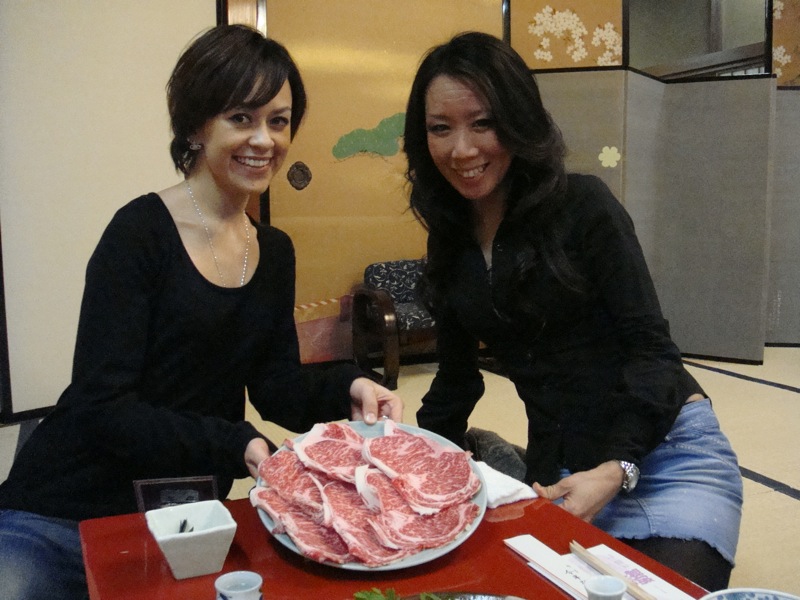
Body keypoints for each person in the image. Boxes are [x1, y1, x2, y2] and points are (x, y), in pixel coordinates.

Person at [0, 24, 401, 600]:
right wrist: (233, 442)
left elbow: (277, 386)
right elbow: (101, 407)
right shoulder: (140, 233)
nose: (264, 139)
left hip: (190, 519)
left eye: (279, 121)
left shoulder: (273, 250)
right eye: (241, 118)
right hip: (68, 512)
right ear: (196, 126)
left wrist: (351, 386)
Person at [403, 31, 741, 591]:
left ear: (518, 122)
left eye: (483, 123)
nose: (461, 150)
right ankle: (502, 459)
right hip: (562, 466)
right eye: (441, 128)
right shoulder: (450, 239)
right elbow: (457, 380)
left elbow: (654, 353)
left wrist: (617, 468)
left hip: (664, 452)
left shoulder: (584, 206)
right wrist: (415, 463)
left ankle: (503, 459)